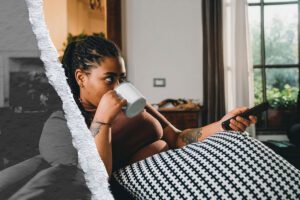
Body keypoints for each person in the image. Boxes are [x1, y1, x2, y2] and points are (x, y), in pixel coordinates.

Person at [39, 36, 257, 179]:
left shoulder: (131, 100)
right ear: (81, 78)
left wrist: (223, 124)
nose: (118, 87)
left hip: (181, 171)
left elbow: (178, 138)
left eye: (121, 78)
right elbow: (94, 182)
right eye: (109, 79)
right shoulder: (62, 124)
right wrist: (102, 121)